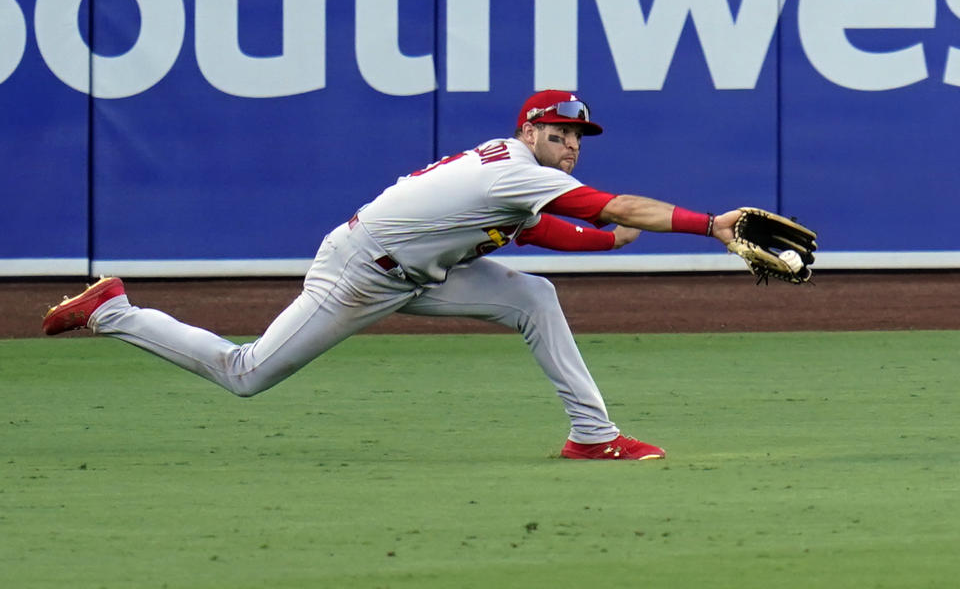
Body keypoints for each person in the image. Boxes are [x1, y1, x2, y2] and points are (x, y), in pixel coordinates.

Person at [43, 90, 741, 460]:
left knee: (534, 295)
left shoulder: (515, 176)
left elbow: (555, 233)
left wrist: (608, 242)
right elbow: (610, 206)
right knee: (246, 373)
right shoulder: (517, 171)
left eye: (577, 138)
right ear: (529, 132)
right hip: (360, 275)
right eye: (558, 133)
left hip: (418, 274)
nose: (569, 146)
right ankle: (113, 311)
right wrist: (707, 224)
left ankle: (593, 435)